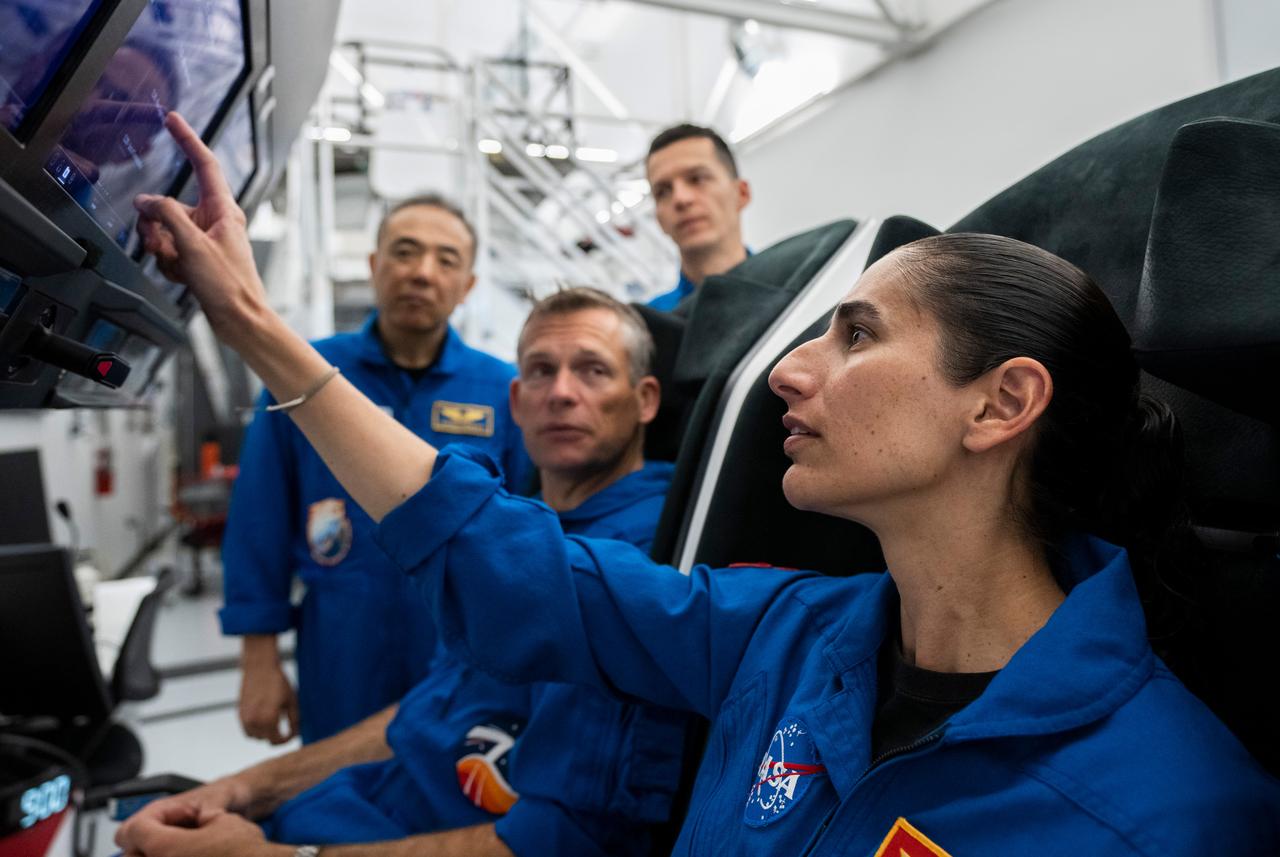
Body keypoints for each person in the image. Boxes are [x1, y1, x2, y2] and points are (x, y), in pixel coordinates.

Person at [129, 113, 1280, 856]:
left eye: (855, 334)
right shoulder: (784, 632)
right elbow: (512, 562)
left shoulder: (1171, 811)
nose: (788, 366)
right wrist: (258, 328)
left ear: (998, 403)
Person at [117, 287, 683, 857]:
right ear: (515, 401)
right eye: (541, 371)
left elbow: (573, 838)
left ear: (645, 399)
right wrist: (244, 789)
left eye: (593, 371)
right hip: (343, 784)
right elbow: (420, 718)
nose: (562, 393)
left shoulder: (642, 561)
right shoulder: (518, 542)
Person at [220, 192, 530, 746]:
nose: (421, 273)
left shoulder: (502, 391)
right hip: (340, 641)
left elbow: (529, 534)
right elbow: (257, 524)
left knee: (448, 797)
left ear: (469, 285)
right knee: (328, 793)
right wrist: (259, 659)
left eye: (446, 260)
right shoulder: (303, 374)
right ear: (374, 265)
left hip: (460, 644)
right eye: (405, 252)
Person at [645, 124, 751, 312]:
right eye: (663, 191)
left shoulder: (799, 285)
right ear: (658, 219)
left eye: (697, 179)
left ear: (741, 193)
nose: (680, 199)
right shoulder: (651, 329)